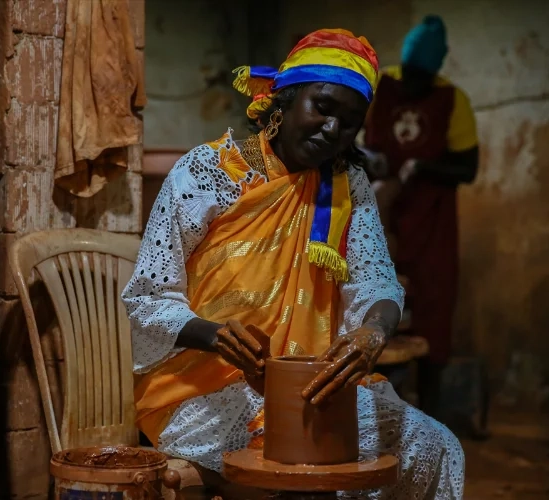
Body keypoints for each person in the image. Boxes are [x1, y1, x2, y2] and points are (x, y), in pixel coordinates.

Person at [123, 28, 464, 499]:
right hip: (202, 390)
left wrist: (373, 332)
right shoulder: (207, 172)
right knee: (305, 470)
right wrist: (214, 335)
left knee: (435, 446)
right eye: (323, 107)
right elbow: (146, 299)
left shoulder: (348, 187)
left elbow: (376, 281)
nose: (332, 129)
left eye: (350, 121)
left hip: (312, 391)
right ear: (282, 100)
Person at [361, 15, 479, 418]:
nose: (411, 87)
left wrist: (423, 168)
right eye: (409, 74)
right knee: (370, 300)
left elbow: (468, 168)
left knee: (432, 308)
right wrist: (371, 159)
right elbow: (352, 143)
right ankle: (371, 409)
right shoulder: (382, 85)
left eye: (420, 79)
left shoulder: (452, 100)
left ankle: (429, 415)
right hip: (380, 213)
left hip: (431, 221)